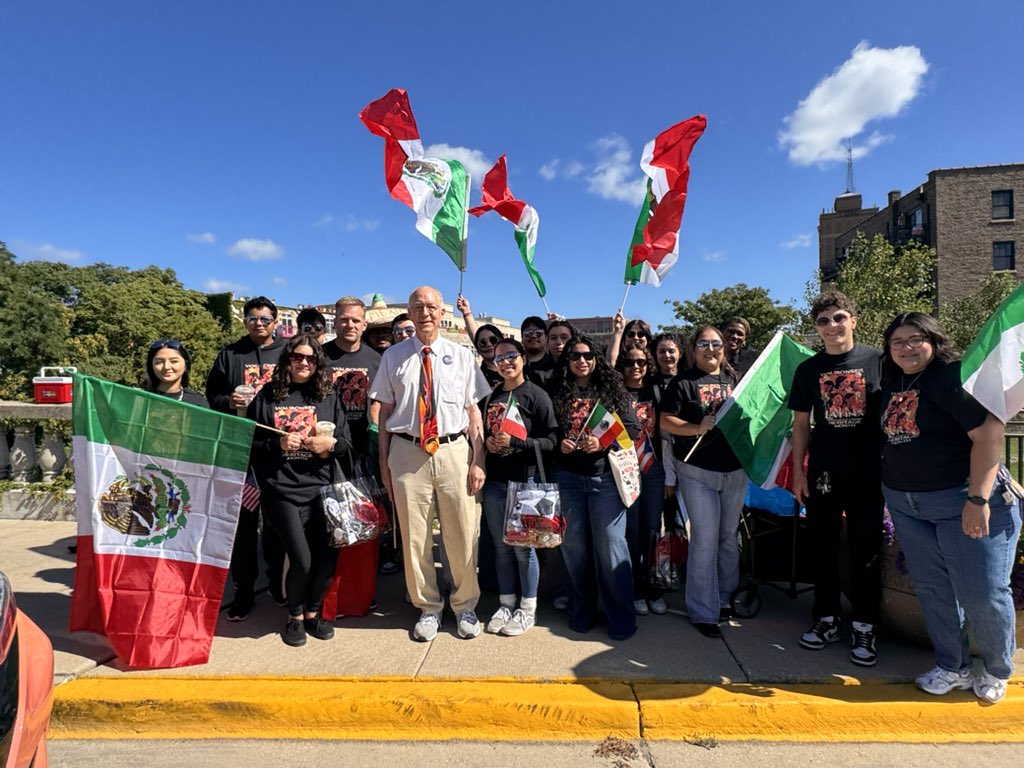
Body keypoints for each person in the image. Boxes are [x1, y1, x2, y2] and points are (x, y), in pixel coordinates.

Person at [880, 312, 1020, 703]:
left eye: (915, 339)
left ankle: (996, 668)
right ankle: (952, 665)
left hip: (963, 500)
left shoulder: (954, 377)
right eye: (897, 342)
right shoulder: (894, 383)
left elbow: (990, 433)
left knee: (983, 591)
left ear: (933, 340)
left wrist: (977, 498)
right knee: (934, 589)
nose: (906, 348)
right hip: (906, 503)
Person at [369, 286, 491, 642]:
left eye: (431, 307)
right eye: (418, 306)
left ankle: (465, 604)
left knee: (462, 531)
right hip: (407, 452)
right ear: (408, 310)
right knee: (414, 535)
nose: (425, 313)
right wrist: (384, 464)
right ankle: (428, 607)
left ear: (442, 313)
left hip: (454, 450)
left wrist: (478, 459)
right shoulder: (393, 357)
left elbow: (473, 413)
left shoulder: (461, 356)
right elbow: (385, 414)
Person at [788, 291, 883, 666]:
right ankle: (826, 619)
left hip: (868, 473)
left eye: (839, 317)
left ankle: (865, 625)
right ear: (817, 328)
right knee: (822, 549)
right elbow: (800, 424)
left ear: (853, 320)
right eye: (824, 321)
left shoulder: (878, 360)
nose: (832, 326)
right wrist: (798, 471)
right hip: (823, 473)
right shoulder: (808, 370)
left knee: (866, 551)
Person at [248, 333, 353, 647]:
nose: (303, 363)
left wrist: (331, 444)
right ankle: (293, 615)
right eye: (297, 357)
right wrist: (276, 443)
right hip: (282, 490)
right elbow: (249, 444)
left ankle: (313, 612)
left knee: (327, 559)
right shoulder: (267, 396)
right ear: (287, 359)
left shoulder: (328, 396)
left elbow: (347, 445)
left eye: (310, 358)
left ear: (318, 363)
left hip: (322, 489)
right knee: (302, 559)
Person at [549, 335, 641, 640]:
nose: (582, 361)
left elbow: (633, 428)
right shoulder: (556, 391)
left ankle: (621, 619)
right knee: (574, 550)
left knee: (612, 548)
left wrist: (603, 441)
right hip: (568, 479)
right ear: (568, 361)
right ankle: (581, 612)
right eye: (575, 356)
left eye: (588, 355)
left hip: (605, 480)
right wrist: (557, 443)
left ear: (597, 359)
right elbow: (546, 432)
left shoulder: (611, 390)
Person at [205, 296, 287, 621]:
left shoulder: (286, 353)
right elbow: (212, 395)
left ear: (276, 322)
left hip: (280, 449)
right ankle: (243, 590)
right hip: (241, 451)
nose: (259, 324)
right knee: (243, 527)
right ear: (245, 321)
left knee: (278, 524)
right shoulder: (230, 354)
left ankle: (278, 585)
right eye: (253, 319)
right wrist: (229, 400)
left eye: (265, 319)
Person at [660, 326, 745, 639]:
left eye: (716, 344)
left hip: (736, 471)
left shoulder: (736, 380)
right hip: (696, 472)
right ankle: (702, 610)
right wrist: (697, 427)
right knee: (705, 537)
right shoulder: (683, 383)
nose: (711, 349)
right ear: (693, 349)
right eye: (704, 344)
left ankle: (725, 599)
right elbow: (666, 422)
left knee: (728, 536)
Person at [481, 338, 558, 636]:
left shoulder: (536, 395)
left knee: (524, 549)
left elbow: (551, 441)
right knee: (501, 548)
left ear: (524, 359)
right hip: (496, 482)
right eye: (500, 358)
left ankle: (528, 609)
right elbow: (486, 433)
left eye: (512, 356)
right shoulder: (493, 395)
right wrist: (489, 443)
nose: (506, 362)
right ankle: (505, 602)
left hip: (525, 482)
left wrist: (517, 442)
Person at [615, 345, 668, 616]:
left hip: (653, 468)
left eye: (641, 362)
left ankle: (653, 588)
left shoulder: (656, 391)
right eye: (629, 362)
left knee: (651, 531)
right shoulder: (614, 392)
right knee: (631, 532)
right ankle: (635, 590)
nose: (635, 366)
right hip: (625, 469)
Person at [322, 296, 380, 458]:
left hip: (364, 441)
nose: (350, 325)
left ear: (364, 325)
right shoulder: (318, 357)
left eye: (355, 320)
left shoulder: (376, 360)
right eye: (344, 320)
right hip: (328, 440)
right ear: (335, 323)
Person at [143, 340, 208, 407]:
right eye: (159, 362)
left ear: (186, 365)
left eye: (174, 361)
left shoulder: (197, 403)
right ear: (151, 366)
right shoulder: (139, 397)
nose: (166, 367)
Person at [520, 315, 556, 387]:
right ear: (522, 338)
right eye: (528, 333)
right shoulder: (515, 365)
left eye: (538, 333)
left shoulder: (555, 365)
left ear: (546, 337)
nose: (533, 336)